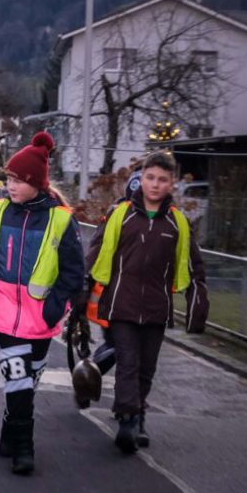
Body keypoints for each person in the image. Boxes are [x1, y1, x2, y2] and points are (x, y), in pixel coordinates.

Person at [0, 132, 85, 475]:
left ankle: (8, 427)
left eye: (18, 180)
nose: (10, 186)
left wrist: (55, 307)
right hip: (1, 311)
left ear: (36, 183)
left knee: (29, 379)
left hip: (40, 316)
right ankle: (23, 446)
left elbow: (74, 272)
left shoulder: (61, 219)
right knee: (17, 376)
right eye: (9, 178)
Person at [84, 151, 208, 453]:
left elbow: (193, 266)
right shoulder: (121, 214)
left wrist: (197, 307)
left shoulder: (177, 223)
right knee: (127, 363)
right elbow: (98, 254)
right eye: (150, 177)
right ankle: (127, 420)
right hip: (121, 305)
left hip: (156, 308)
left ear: (172, 184)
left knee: (146, 368)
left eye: (162, 179)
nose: (155, 184)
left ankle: (139, 417)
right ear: (142, 180)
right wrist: (81, 293)